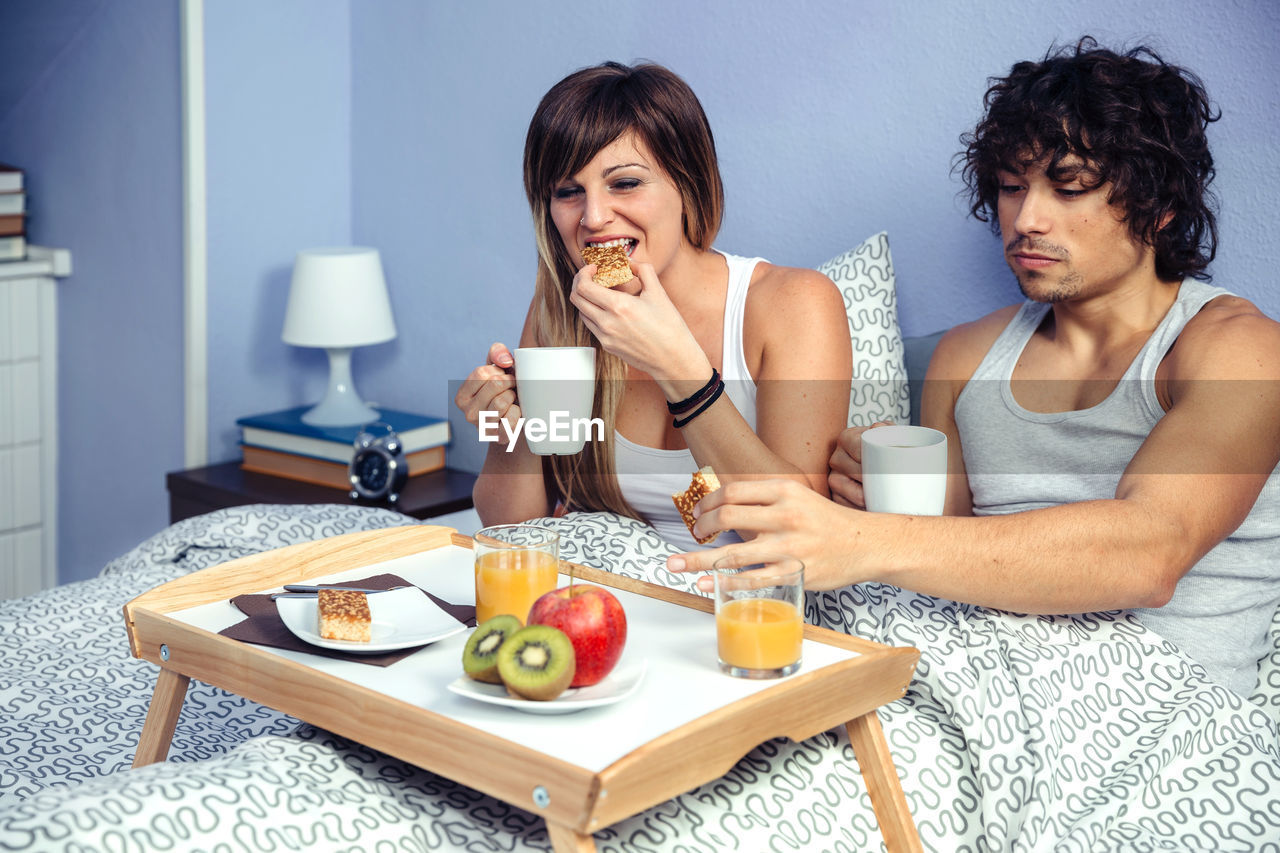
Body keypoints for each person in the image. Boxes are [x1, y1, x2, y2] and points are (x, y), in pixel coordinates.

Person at [671, 38, 1280, 697]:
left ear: (1161, 206)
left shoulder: (1238, 350)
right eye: (1012, 188)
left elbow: (1150, 552)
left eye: (1069, 186)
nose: (1026, 218)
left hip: (1161, 708)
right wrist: (876, 493)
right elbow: (951, 548)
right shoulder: (966, 357)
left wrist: (864, 538)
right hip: (990, 678)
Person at [453, 61, 851, 550]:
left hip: (743, 611)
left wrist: (677, 367)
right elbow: (513, 534)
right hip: (614, 601)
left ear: (687, 183)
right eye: (568, 192)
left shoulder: (793, 304)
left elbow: (803, 538)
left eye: (624, 183)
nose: (594, 218)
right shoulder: (557, 312)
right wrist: (509, 433)